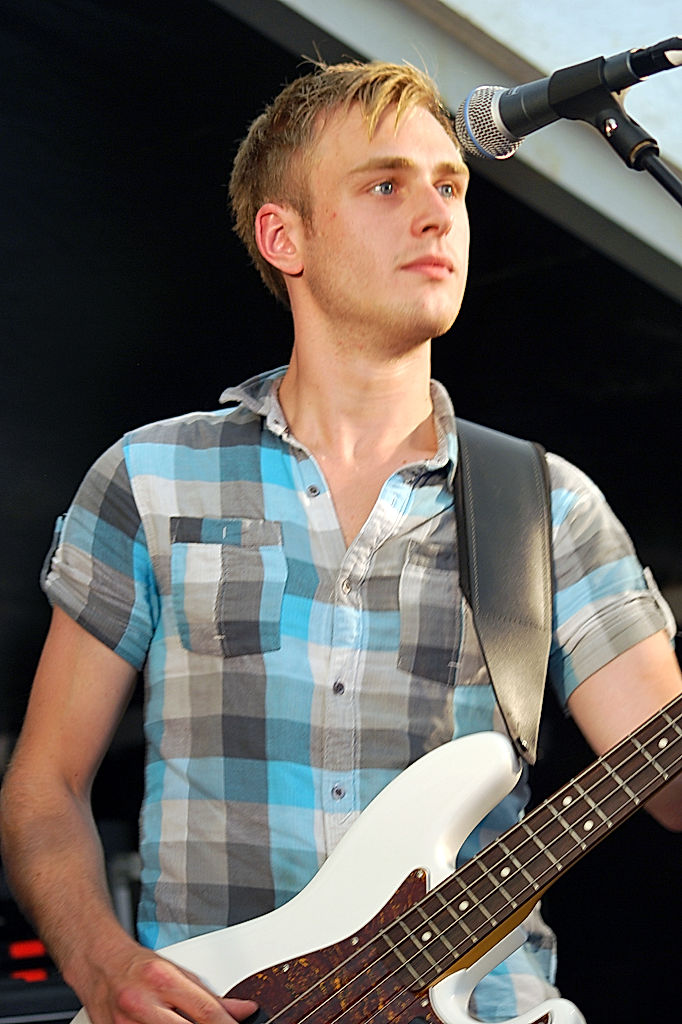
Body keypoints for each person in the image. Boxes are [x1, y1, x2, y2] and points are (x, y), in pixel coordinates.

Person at [1, 60, 681, 1024]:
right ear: (286, 237)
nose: (438, 212)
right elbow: (46, 784)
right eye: (385, 184)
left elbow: (670, 786)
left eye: (451, 184)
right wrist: (102, 965)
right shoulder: (152, 478)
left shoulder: (548, 507)